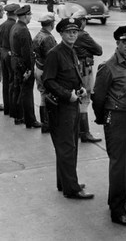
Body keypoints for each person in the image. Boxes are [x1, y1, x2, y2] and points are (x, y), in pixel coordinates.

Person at [92, 25, 126, 227]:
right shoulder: (108, 66)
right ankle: (117, 211)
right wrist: (104, 119)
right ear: (117, 43)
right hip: (116, 117)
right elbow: (98, 98)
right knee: (119, 165)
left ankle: (122, 200)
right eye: (124, 42)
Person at [43, 17, 94, 199]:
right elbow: (48, 80)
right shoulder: (55, 53)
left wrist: (79, 88)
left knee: (68, 145)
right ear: (61, 34)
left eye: (75, 32)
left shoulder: (70, 51)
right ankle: (71, 188)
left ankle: (64, 182)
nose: (73, 35)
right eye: (69, 32)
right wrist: (67, 94)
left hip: (71, 103)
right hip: (62, 106)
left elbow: (72, 74)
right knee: (67, 147)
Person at [72, 11, 103, 143]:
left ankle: (79, 130)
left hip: (76, 67)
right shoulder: (83, 34)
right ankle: (85, 133)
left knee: (79, 98)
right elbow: (99, 50)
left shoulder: (72, 33)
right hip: (84, 68)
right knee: (85, 99)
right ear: (82, 21)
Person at [10, 5, 41, 128]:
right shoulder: (23, 30)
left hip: (15, 62)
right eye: (29, 15)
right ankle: (30, 120)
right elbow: (27, 53)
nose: (30, 17)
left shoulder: (15, 26)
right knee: (27, 93)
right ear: (25, 16)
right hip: (22, 64)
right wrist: (28, 69)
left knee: (18, 90)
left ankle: (18, 116)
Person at [32, 12, 57, 133]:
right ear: (51, 24)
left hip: (38, 67)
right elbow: (51, 57)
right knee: (48, 96)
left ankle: (44, 123)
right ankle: (47, 124)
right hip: (46, 70)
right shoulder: (48, 38)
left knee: (42, 96)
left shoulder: (38, 35)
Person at [0, 3, 19, 116]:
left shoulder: (2, 25)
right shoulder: (14, 26)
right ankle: (13, 108)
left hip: (3, 54)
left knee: (6, 82)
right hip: (11, 55)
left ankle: (7, 107)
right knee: (13, 82)